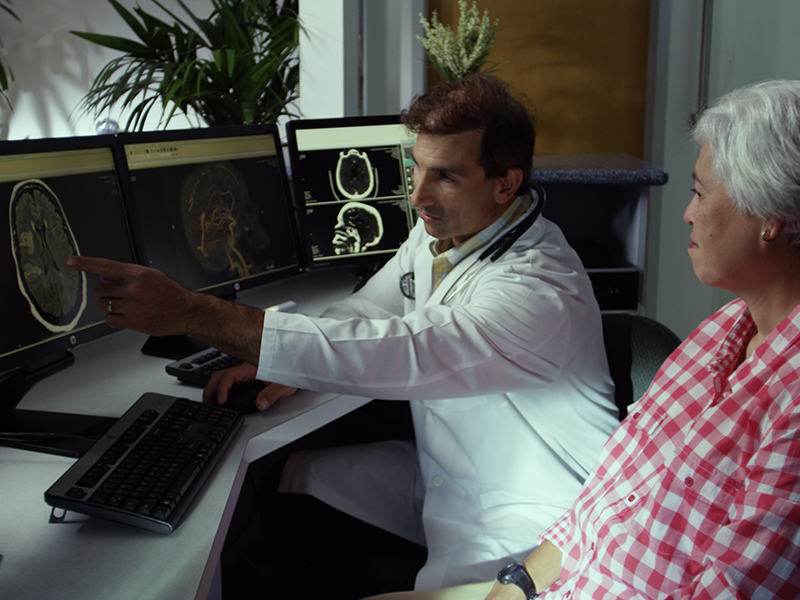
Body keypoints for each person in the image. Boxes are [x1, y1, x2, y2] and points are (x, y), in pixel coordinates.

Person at [65, 73, 619, 595]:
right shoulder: (445, 236)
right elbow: (368, 311)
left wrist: (193, 312)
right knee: (301, 480)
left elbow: (399, 353)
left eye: (446, 175)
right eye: (416, 167)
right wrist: (277, 362)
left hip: (531, 514)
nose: (420, 196)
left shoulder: (537, 288)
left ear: (506, 184)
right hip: (448, 471)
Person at [362, 79, 800, 600]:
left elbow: (736, 589)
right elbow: (608, 495)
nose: (687, 213)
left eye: (700, 193)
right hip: (563, 582)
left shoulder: (792, 400)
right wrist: (516, 586)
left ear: (770, 220)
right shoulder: (723, 332)